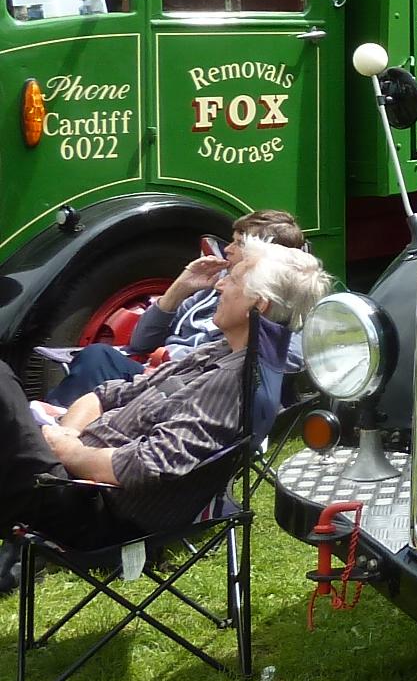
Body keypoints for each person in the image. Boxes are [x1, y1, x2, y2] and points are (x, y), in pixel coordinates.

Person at [0, 238, 334, 595]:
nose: (220, 284)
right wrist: (65, 433)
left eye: (233, 279)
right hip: (72, 475)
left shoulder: (236, 384)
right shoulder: (218, 352)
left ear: (259, 304)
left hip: (93, 510)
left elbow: (146, 464)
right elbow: (108, 393)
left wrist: (65, 450)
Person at [45, 209, 307, 408]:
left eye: (238, 243)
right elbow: (140, 341)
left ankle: (48, 431)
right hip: (157, 374)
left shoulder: (277, 304)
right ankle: (52, 429)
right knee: (97, 360)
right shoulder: (209, 290)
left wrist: (181, 364)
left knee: (97, 359)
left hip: (189, 386)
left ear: (263, 253)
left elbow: (292, 356)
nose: (227, 249)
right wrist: (180, 288)